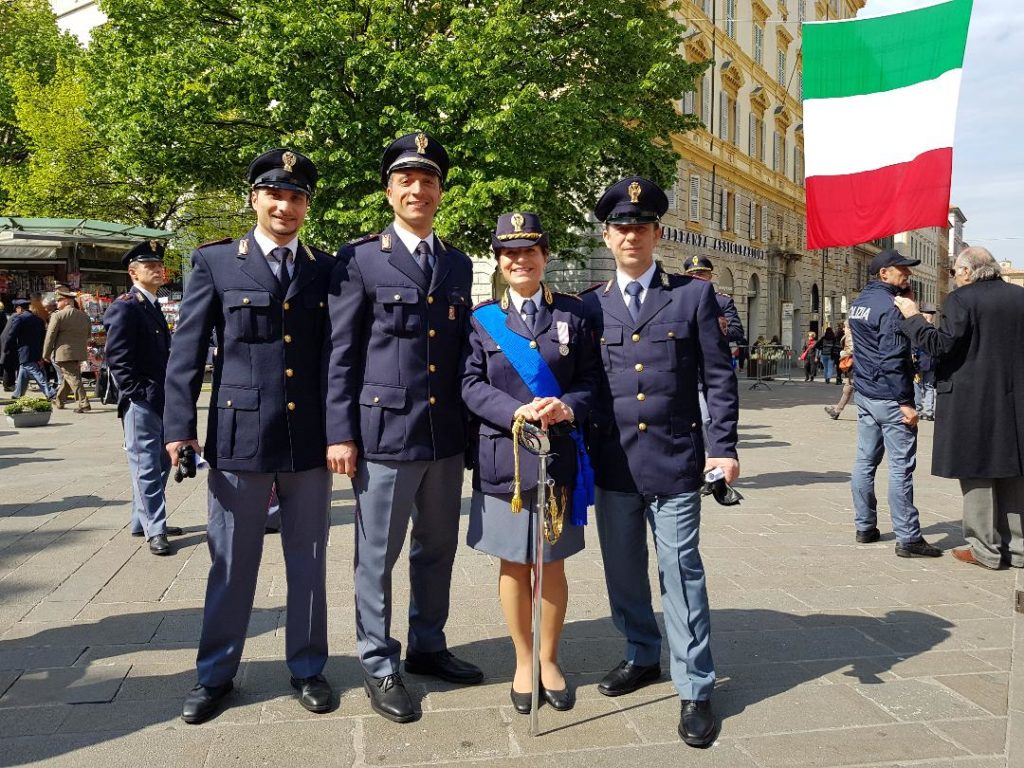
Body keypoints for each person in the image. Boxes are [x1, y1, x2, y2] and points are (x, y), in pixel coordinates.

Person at [164, 148, 336, 723]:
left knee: (309, 559)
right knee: (232, 561)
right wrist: (179, 429)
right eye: (275, 194)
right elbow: (186, 352)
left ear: (307, 205)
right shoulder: (215, 263)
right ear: (255, 198)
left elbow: (335, 358)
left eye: (296, 196)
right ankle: (215, 674)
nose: (285, 205)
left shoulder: (322, 267)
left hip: (308, 437)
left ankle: (309, 667)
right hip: (239, 437)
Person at [325, 132, 480, 724]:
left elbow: (463, 349)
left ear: (441, 191)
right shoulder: (360, 258)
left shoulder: (457, 262)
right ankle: (377, 659)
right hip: (384, 435)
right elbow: (342, 353)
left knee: (437, 546)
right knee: (377, 554)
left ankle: (428, 644)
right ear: (389, 190)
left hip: (443, 434)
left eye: (429, 180)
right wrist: (341, 433)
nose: (418, 189)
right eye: (406, 180)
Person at [580, 177, 739, 748]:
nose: (630, 236)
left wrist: (723, 448)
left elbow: (718, 378)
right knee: (622, 571)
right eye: (621, 227)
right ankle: (642, 652)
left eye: (640, 226)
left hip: (675, 461)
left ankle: (695, 686)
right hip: (613, 464)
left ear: (657, 234)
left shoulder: (691, 297)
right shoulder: (588, 306)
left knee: (680, 572)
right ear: (607, 234)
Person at [462, 212, 599, 714]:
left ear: (545, 256)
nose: (520, 260)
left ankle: (549, 659)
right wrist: (512, 410)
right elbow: (470, 385)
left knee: (552, 564)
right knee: (515, 565)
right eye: (510, 253)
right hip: (506, 461)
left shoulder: (574, 315)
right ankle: (522, 660)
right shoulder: (481, 320)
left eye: (530, 251)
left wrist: (569, 406)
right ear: (500, 261)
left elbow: (591, 382)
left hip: (558, 457)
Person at [895, 247, 1024, 570]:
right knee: (1013, 469)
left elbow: (941, 345)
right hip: (1015, 397)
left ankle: (985, 549)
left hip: (973, 399)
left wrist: (913, 318)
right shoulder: (1019, 297)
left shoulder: (962, 299)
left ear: (967, 272)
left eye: (954, 272)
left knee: (977, 469)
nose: (954, 277)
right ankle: (1019, 549)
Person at [847, 249, 940, 558]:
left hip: (866, 393)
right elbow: (893, 358)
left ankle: (864, 526)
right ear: (884, 273)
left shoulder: (859, 303)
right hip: (890, 396)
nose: (908, 274)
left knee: (864, 462)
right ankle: (908, 537)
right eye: (902, 270)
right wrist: (906, 403)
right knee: (900, 467)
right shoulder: (892, 307)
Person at [103, 242, 182, 553]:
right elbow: (117, 359)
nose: (158, 270)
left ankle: (143, 520)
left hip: (160, 396)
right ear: (133, 272)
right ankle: (155, 529)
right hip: (142, 400)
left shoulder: (151, 304)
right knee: (146, 464)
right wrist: (136, 394)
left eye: (159, 265)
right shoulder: (125, 306)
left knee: (161, 461)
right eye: (150, 266)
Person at [43, 289, 92, 412]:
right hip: (79, 352)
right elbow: (88, 334)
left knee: (72, 377)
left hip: (63, 352)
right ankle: (59, 400)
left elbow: (50, 335)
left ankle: (84, 403)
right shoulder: (84, 316)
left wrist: (46, 354)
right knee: (69, 377)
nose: (57, 303)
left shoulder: (58, 315)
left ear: (66, 301)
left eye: (59, 300)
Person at [683, 256, 745, 343]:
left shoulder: (723, 302)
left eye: (700, 275)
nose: (696, 278)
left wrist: (711, 329)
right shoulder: (680, 301)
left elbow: (736, 331)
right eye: (691, 275)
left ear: (710, 276)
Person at [4, 298, 55, 399]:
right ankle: (17, 394)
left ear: (19, 308)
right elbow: (43, 337)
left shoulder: (19, 318)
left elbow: (11, 335)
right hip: (36, 350)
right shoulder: (39, 319)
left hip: (24, 351)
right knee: (23, 371)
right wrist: (42, 352)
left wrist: (6, 348)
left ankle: (50, 392)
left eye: (16, 309)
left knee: (34, 371)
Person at [911, 305, 937, 421]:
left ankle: (918, 409)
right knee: (929, 387)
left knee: (917, 385)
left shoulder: (920, 330)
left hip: (919, 362)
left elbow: (914, 345)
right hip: (931, 363)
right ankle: (929, 412)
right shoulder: (935, 330)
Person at [824, 325, 855, 420]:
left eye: (845, 327)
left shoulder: (850, 335)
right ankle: (837, 411)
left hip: (854, 365)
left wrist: (843, 354)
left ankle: (869, 413)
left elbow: (852, 350)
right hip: (853, 366)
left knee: (853, 388)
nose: (843, 329)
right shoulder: (852, 334)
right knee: (848, 388)